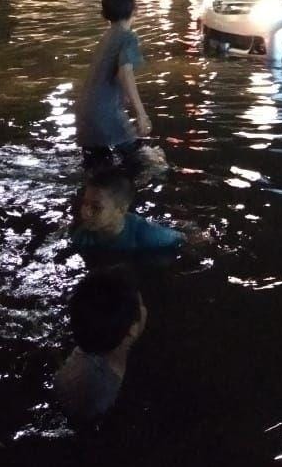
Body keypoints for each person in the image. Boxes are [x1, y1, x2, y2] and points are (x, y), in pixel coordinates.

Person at [53, 266, 146, 423]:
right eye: (142, 304)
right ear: (132, 329)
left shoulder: (89, 340)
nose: (145, 308)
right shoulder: (102, 393)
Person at [76, 0, 151, 170]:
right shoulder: (128, 37)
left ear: (104, 13)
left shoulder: (107, 36)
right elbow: (125, 74)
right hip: (105, 113)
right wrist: (141, 114)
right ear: (135, 10)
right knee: (143, 163)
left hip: (85, 112)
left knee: (96, 170)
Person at [71, 167, 186, 252]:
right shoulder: (82, 236)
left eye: (96, 207)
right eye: (85, 203)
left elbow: (186, 240)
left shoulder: (150, 235)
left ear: (121, 209)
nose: (86, 212)